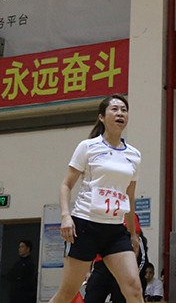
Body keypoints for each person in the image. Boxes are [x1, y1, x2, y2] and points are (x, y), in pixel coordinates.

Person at [48, 95, 143, 303]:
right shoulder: (88, 147)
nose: (120, 113)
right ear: (101, 117)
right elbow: (66, 185)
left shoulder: (134, 155)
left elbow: (129, 195)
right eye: (114, 109)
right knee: (68, 292)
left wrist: (132, 234)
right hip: (85, 226)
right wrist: (65, 216)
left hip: (115, 230)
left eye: (124, 110)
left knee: (134, 289)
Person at [8, 239, 37, 303]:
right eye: (19, 247)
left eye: (22, 247)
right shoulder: (17, 263)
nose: (20, 249)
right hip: (15, 296)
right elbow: (10, 275)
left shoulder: (31, 264)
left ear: (28, 249)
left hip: (25, 297)